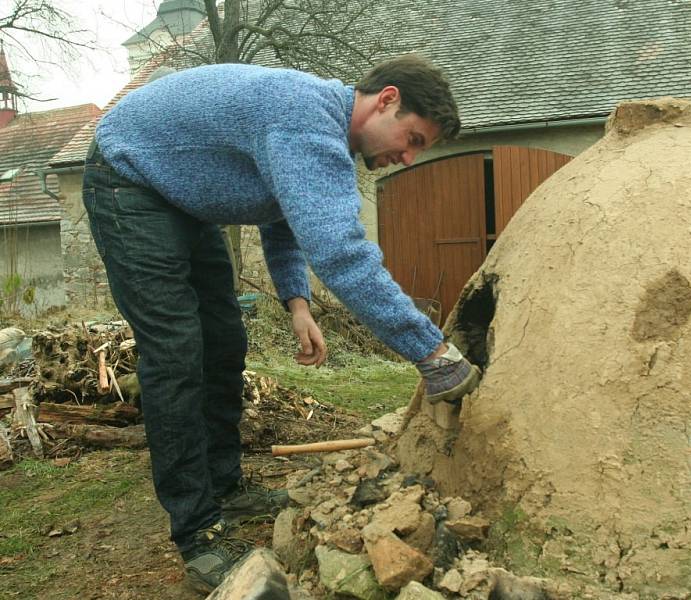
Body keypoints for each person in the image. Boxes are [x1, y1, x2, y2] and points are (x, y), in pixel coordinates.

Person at [82, 53, 480, 593]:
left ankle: (225, 486)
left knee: (223, 342)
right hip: (128, 179)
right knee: (176, 351)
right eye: (412, 138)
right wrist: (431, 353)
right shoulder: (304, 116)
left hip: (181, 201)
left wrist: (296, 302)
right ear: (386, 99)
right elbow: (341, 254)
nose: (408, 158)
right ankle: (197, 531)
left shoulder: (318, 135)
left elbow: (281, 216)